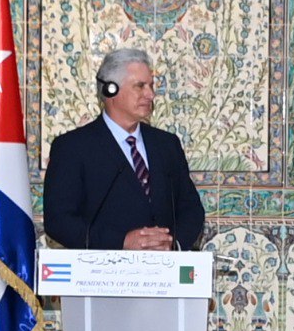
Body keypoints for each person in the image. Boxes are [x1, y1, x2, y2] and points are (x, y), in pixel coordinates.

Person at [43, 49, 205, 250]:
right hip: (102, 275)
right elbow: (59, 221)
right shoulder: (72, 147)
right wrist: (121, 242)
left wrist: (173, 245)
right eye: (140, 86)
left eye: (151, 86)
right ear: (110, 90)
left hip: (164, 273)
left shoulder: (166, 145)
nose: (150, 94)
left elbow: (191, 209)